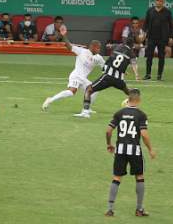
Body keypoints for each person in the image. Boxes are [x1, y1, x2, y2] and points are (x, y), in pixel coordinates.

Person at [105, 88, 156, 217]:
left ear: (128, 99)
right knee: (139, 177)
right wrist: (150, 149)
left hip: (120, 150)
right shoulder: (141, 115)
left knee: (116, 178)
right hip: (135, 151)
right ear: (138, 100)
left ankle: (110, 209)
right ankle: (139, 209)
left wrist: (109, 144)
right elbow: (144, 135)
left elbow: (108, 131)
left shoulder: (119, 113)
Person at [75, 34, 134, 118]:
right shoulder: (130, 53)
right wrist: (135, 74)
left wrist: (109, 46)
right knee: (128, 91)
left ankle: (85, 112)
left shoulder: (118, 47)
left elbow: (109, 49)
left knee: (89, 90)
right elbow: (130, 63)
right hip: (119, 79)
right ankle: (135, 103)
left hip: (108, 77)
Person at [42, 32, 104, 111]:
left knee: (95, 90)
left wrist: (119, 71)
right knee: (71, 92)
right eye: (98, 48)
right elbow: (69, 46)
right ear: (92, 47)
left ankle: (86, 109)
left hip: (83, 78)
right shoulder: (82, 51)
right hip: (76, 76)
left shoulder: (99, 58)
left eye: (99, 48)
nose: (99, 50)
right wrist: (64, 36)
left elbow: (106, 67)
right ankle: (50, 100)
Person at [143, 0, 173, 80]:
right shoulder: (150, 11)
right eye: (157, 0)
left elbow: (171, 25)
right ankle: (148, 74)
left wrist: (170, 37)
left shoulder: (167, 12)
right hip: (151, 37)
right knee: (149, 57)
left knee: (161, 57)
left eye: (160, 1)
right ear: (155, 1)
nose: (158, 2)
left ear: (163, 2)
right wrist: (144, 33)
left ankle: (159, 75)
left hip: (163, 38)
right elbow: (145, 23)